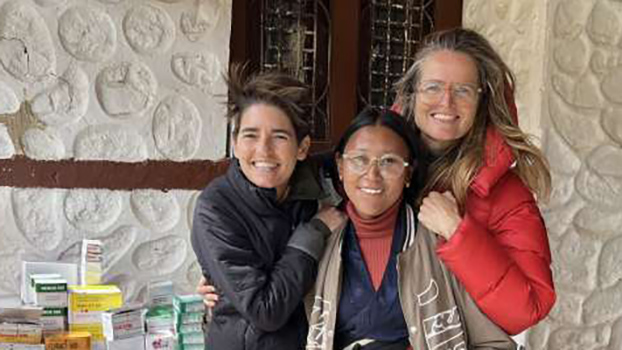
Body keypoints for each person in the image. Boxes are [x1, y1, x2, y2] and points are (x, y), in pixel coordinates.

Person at [305, 108, 517, 350]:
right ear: (340, 167)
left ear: (408, 173)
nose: (372, 175)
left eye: (389, 162)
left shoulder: (436, 241)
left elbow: (495, 343)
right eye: (359, 160)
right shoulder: (320, 240)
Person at [393, 27, 555, 335]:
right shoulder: (372, 164)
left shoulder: (506, 194)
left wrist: (458, 232)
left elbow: (527, 308)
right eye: (433, 87)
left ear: (483, 100)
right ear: (411, 94)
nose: (446, 102)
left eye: (463, 90)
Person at [190, 66, 346, 350]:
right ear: (235, 144)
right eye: (250, 135)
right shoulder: (216, 209)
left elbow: (375, 143)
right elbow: (264, 311)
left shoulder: (317, 183)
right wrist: (314, 232)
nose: (264, 150)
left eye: (279, 137)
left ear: (302, 148)